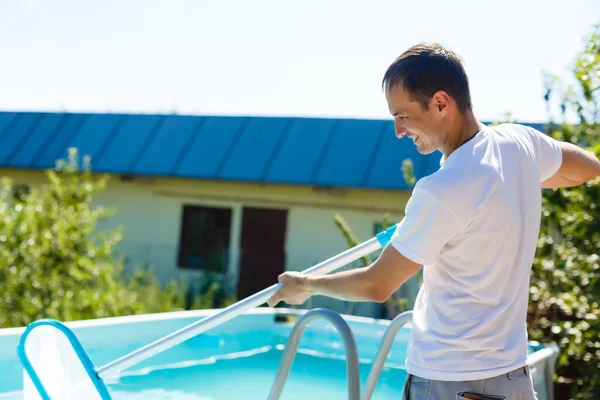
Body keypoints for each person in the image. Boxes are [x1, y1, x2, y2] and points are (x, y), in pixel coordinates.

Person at [267, 42, 600, 399]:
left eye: (403, 116)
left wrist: (305, 284)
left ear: (441, 103)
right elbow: (587, 169)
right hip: (513, 378)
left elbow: (377, 285)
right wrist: (516, 180)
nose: (397, 130)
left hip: (449, 380)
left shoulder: (444, 188)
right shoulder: (518, 144)